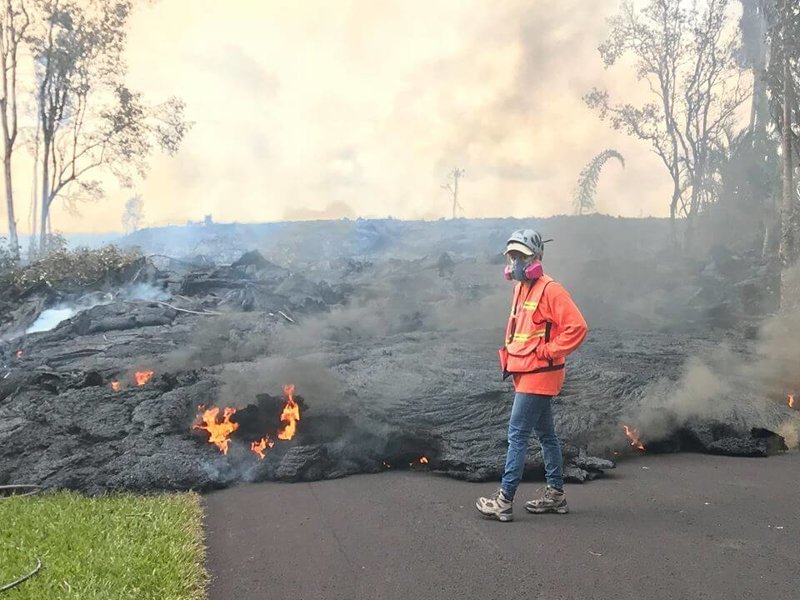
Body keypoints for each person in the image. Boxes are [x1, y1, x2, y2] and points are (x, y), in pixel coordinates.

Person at [476, 229, 588, 522]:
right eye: (512, 257)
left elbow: (577, 327)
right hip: (524, 371)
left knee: (517, 434)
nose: (515, 263)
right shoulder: (520, 288)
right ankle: (556, 496)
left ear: (537, 258)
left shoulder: (551, 289)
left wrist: (549, 351)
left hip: (540, 374)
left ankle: (503, 501)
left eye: (521, 257)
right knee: (546, 435)